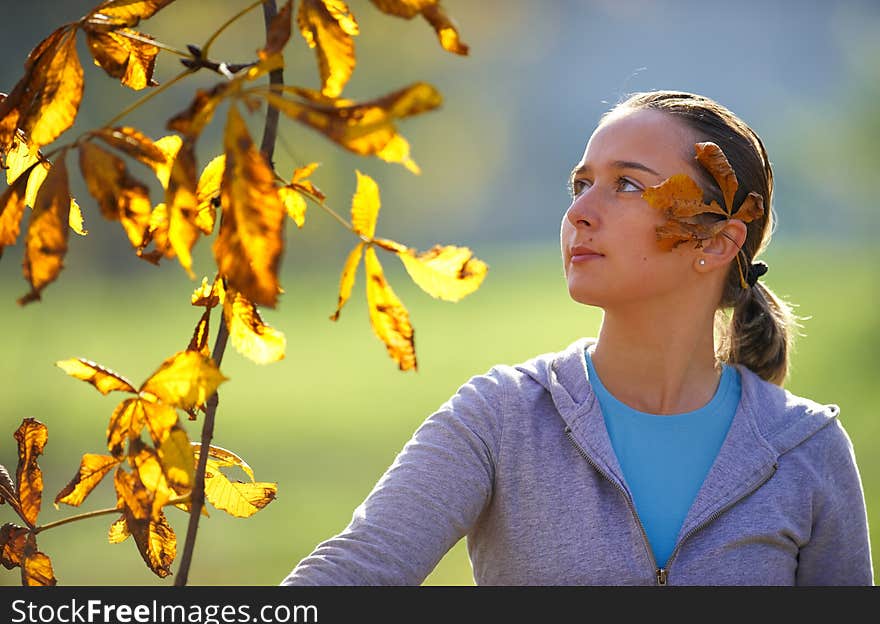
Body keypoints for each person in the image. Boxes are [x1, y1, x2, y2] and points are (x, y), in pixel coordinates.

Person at [280, 90, 874, 586]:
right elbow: (354, 572)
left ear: (717, 243)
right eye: (581, 184)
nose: (580, 213)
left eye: (629, 186)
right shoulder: (500, 418)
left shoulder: (806, 449)